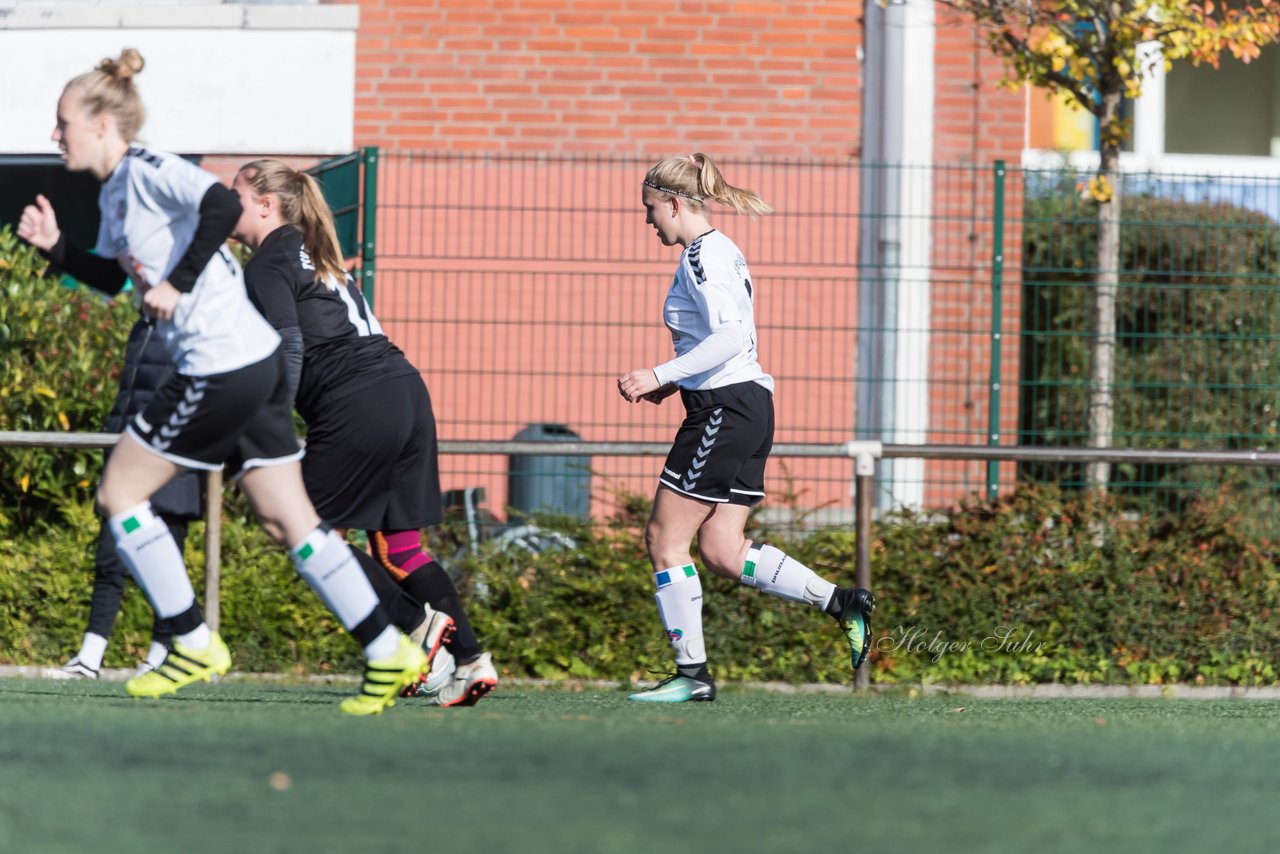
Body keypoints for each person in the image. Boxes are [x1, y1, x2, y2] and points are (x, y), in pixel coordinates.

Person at [17, 48, 430, 714]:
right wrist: (57, 250)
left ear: (100, 122)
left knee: (120, 491)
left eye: (62, 121)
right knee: (285, 517)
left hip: (220, 363)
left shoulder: (148, 168)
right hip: (253, 363)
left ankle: (190, 638)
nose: (54, 135)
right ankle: (389, 649)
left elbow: (215, 204)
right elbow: (121, 278)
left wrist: (179, 284)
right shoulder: (116, 192)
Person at [229, 158, 498, 707]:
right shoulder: (318, 251)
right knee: (399, 547)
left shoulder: (267, 262)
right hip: (404, 391)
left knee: (301, 529)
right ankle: (470, 661)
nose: (222, 206)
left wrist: (273, 425)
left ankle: (418, 629)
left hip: (358, 402)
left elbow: (290, 345)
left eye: (231, 195)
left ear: (264, 204)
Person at [617, 152, 875, 703]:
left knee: (666, 541)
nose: (647, 221)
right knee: (721, 547)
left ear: (676, 203)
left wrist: (658, 373)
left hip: (723, 411)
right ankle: (842, 603)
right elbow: (724, 344)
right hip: (749, 405)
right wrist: (675, 384)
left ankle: (692, 676)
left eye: (650, 209)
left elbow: (729, 336)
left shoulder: (699, 257)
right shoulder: (723, 249)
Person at [46, 318, 203, 680]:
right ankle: (90, 657)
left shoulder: (193, 324)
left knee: (167, 569)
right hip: (127, 456)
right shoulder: (142, 326)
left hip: (172, 460)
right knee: (109, 561)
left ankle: (160, 657)